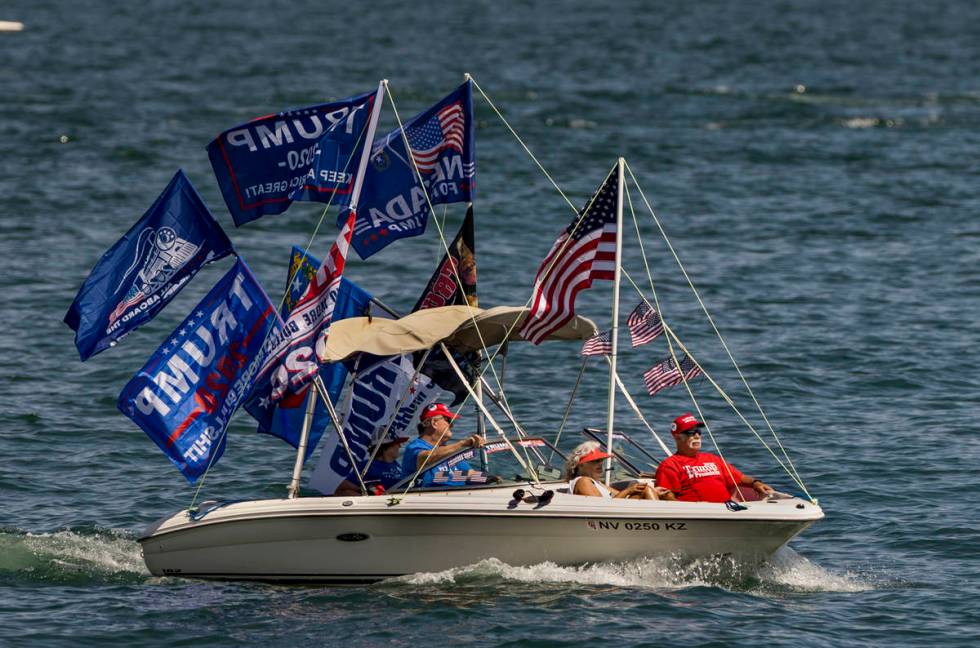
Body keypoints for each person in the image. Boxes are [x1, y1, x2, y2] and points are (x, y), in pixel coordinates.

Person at [655, 413, 775, 503]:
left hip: (729, 510)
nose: (697, 435)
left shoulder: (712, 458)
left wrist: (756, 483)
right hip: (699, 514)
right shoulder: (670, 465)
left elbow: (740, 478)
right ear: (677, 438)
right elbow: (665, 494)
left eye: (698, 431)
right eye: (690, 432)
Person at [401, 402, 485, 487]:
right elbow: (427, 459)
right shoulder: (414, 448)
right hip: (430, 497)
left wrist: (489, 479)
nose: (451, 425)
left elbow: (469, 474)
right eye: (448, 420)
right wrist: (463, 444)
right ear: (434, 423)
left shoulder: (448, 450)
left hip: (458, 495)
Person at [563, 441, 667, 499]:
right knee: (646, 490)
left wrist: (653, 490)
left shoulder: (595, 482)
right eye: (595, 461)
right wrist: (628, 490)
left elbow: (619, 496)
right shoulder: (583, 481)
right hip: (605, 522)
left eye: (601, 461)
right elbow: (601, 509)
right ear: (581, 465)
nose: (600, 464)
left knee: (660, 492)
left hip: (614, 519)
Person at [333, 434, 408, 496]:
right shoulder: (368, 466)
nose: (399, 446)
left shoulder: (395, 464)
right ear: (385, 447)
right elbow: (341, 491)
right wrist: (368, 500)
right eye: (397, 443)